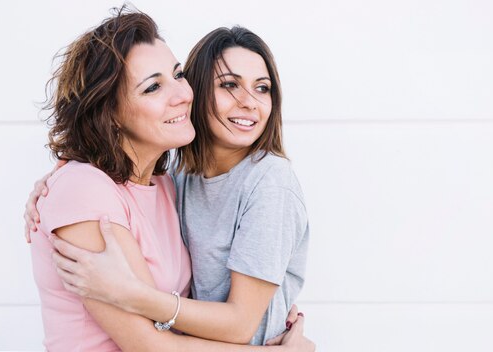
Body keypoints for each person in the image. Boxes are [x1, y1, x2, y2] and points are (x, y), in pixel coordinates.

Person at [28, 6, 313, 352]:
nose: (182, 95)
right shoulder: (96, 189)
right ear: (110, 114)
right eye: (152, 88)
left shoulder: (167, 184)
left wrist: (137, 296)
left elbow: (219, 322)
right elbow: (149, 345)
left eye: (178, 76)